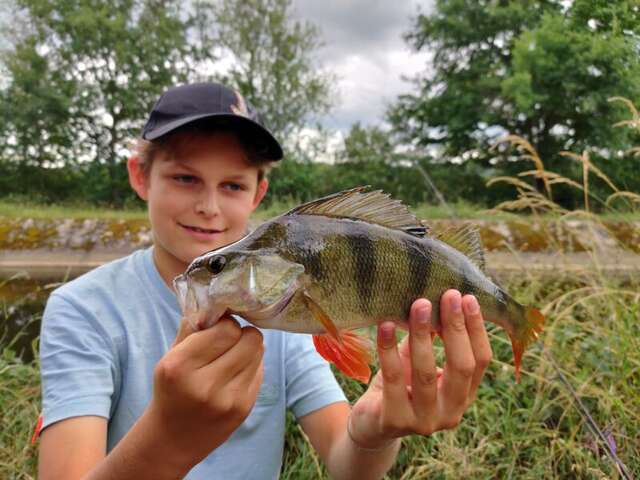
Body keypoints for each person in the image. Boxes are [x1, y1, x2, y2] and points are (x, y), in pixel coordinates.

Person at [36, 82, 493, 479]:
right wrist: (168, 437)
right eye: (184, 178)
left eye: (232, 185)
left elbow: (344, 458)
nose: (209, 207)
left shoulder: (281, 316)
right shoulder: (83, 309)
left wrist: (373, 433)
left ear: (259, 192)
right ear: (140, 175)